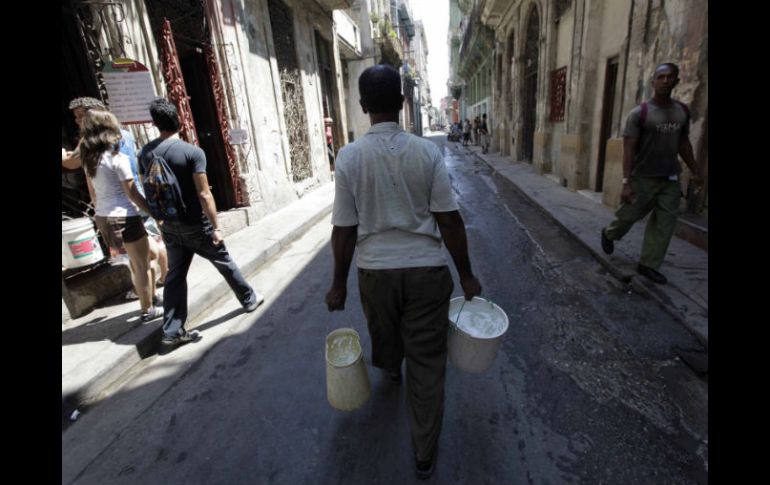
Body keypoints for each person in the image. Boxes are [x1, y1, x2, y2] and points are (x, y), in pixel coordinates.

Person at [325, 64, 482, 479]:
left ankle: (392, 366)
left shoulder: (349, 157)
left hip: (375, 273)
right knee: (427, 364)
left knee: (385, 332)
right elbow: (449, 220)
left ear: (363, 106)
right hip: (427, 272)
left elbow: (344, 229)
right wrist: (466, 276)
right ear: (401, 102)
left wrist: (338, 284)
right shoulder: (426, 153)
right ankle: (424, 453)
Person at [139, 98, 264, 347]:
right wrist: (216, 227)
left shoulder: (145, 153)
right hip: (196, 224)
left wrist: (157, 218)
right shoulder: (192, 152)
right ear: (178, 120)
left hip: (169, 225)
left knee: (175, 276)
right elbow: (204, 194)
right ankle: (249, 299)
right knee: (223, 261)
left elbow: (146, 189)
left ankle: (172, 331)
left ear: (154, 124)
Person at [600, 63, 703, 284]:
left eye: (670, 77)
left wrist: (696, 170)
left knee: (664, 223)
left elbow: (683, 143)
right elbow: (629, 148)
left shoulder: (682, 112)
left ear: (676, 81)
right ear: (653, 81)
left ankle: (648, 264)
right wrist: (626, 181)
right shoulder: (640, 113)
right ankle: (609, 233)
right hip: (642, 177)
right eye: (661, 77)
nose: (665, 81)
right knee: (628, 216)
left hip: (670, 178)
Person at [62, 97, 168, 288]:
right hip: (135, 193)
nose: (78, 121)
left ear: (94, 115)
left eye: (81, 116)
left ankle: (147, 294)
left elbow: (72, 163)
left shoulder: (89, 141)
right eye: (76, 117)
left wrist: (63, 155)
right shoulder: (124, 134)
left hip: (119, 205)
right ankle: (164, 277)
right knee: (151, 241)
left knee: (140, 258)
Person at [77, 109, 162, 322]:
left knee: (145, 255)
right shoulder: (117, 158)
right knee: (142, 264)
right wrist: (153, 212)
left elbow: (93, 194)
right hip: (124, 215)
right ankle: (147, 310)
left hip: (104, 217)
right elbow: (132, 193)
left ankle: (151, 296)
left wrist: (102, 214)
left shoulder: (90, 160)